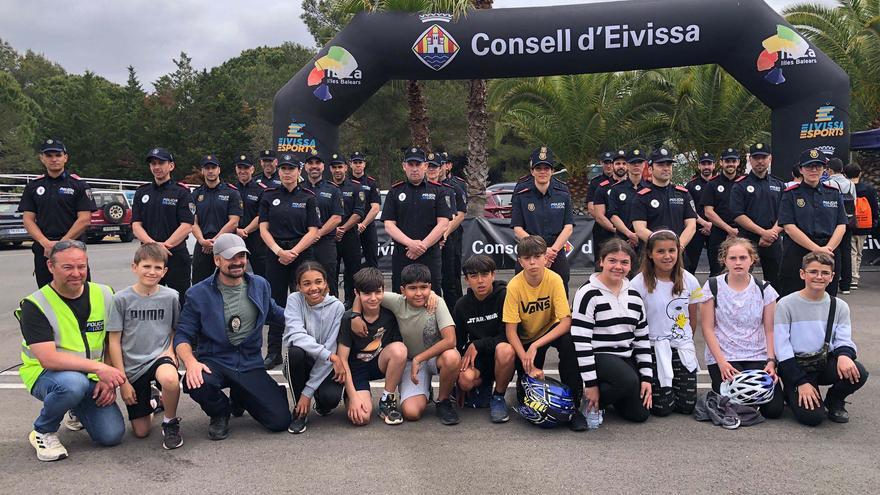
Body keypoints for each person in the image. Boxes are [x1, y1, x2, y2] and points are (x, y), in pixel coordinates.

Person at [15, 240, 125, 461]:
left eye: (81, 266)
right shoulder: (35, 305)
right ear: (50, 267)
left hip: (91, 377)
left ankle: (75, 409)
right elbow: (48, 359)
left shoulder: (104, 294)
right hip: (47, 376)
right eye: (67, 267)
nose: (76, 273)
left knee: (111, 435)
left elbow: (111, 343)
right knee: (73, 385)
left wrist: (108, 379)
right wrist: (99, 368)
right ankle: (43, 431)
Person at [175, 234, 290, 440]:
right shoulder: (197, 294)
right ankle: (220, 412)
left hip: (249, 362)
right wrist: (191, 363)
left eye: (242, 256)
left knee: (280, 421)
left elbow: (276, 314)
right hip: (216, 360)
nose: (238, 262)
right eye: (231, 258)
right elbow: (183, 335)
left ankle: (242, 394)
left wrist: (313, 320)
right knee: (196, 382)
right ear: (217, 260)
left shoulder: (260, 285)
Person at [350, 263, 461, 425]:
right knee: (412, 413)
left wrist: (420, 358)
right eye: (412, 288)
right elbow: (364, 293)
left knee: (452, 357)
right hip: (410, 361)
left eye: (424, 287)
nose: (419, 293)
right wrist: (354, 315)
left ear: (430, 287)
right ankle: (425, 390)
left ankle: (443, 400)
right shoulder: (397, 301)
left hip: (434, 358)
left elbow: (451, 340)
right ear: (402, 290)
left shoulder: (437, 302)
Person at [774, 252, 869, 425]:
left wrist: (844, 356)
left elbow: (843, 338)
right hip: (797, 366)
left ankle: (834, 401)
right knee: (813, 418)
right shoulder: (786, 304)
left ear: (832, 277)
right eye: (813, 272)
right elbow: (781, 347)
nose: (819, 277)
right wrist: (800, 381)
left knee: (858, 372)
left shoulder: (839, 306)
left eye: (825, 273)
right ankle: (791, 391)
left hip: (822, 362)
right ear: (803, 274)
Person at [503, 236, 585, 431]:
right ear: (520, 261)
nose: (532, 262)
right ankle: (524, 385)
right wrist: (525, 357)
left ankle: (574, 404)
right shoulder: (514, 286)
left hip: (547, 332)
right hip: (525, 337)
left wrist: (536, 345)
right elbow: (510, 331)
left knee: (570, 342)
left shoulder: (554, 279)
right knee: (528, 397)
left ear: (545, 258)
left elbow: (565, 322)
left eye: (537, 256)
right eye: (527, 258)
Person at [696, 237, 783, 419]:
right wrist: (721, 362)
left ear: (752, 259)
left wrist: (770, 361)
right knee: (735, 401)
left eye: (743, 258)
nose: (738, 263)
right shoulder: (712, 286)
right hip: (725, 356)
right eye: (732, 258)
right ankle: (723, 395)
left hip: (756, 354)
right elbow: (708, 329)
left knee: (773, 410)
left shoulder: (764, 289)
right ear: (724, 260)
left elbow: (770, 330)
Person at [106, 243, 182, 449]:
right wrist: (123, 382)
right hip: (133, 365)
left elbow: (175, 329)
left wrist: (171, 352)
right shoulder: (120, 299)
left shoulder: (171, 296)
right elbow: (114, 340)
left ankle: (170, 422)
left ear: (165, 271)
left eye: (158, 267)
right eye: (146, 266)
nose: (152, 272)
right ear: (135, 267)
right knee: (141, 432)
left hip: (159, 357)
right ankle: (154, 401)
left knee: (170, 379)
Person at [571, 239, 652, 424]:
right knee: (627, 380)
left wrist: (646, 378)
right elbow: (581, 341)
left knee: (640, 414)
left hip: (624, 358)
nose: (618, 267)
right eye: (612, 261)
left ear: (631, 265)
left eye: (624, 262)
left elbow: (642, 340)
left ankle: (609, 396)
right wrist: (590, 384)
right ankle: (587, 399)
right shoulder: (588, 293)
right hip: (598, 356)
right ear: (601, 261)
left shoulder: (634, 297)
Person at [258, 154, 319, 369]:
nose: (286, 172)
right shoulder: (268, 196)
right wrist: (278, 251)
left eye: (291, 168)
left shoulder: (309, 197)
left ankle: (305, 349)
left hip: (300, 254)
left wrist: (293, 251)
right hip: (276, 254)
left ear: (298, 171)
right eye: (283, 168)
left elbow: (313, 231)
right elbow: (263, 228)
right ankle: (273, 352)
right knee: (275, 303)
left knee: (305, 301)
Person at [630, 231, 701, 416]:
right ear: (650, 254)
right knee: (663, 409)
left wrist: (683, 340)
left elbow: (692, 318)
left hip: (680, 346)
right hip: (653, 347)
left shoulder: (690, 280)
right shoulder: (638, 283)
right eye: (660, 251)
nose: (667, 256)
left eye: (672, 250)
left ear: (678, 251)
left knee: (687, 406)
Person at [18, 139, 97, 288]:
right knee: (46, 293)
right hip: (44, 249)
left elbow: (85, 219)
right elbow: (28, 220)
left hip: (73, 246)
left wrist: (61, 244)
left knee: (79, 290)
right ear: (42, 158)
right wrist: (45, 243)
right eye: (49, 155)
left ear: (65, 157)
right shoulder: (33, 186)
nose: (54, 159)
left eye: (58, 155)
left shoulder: (78, 185)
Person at [337, 267, 407, 426]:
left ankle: (387, 400)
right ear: (357, 293)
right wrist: (353, 396)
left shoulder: (390, 314)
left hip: (378, 364)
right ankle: (350, 395)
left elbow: (414, 296)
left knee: (399, 350)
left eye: (377, 292)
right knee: (361, 418)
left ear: (384, 290)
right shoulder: (349, 318)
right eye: (367, 294)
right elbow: (342, 360)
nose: (373, 298)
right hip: (356, 370)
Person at [284, 262, 346, 434]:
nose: (313, 288)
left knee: (329, 401)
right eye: (307, 283)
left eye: (318, 282)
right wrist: (330, 356)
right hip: (303, 361)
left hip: (325, 363)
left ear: (326, 283)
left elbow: (331, 347)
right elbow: (296, 335)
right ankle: (299, 411)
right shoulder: (294, 300)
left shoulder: (337, 307)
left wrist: (308, 392)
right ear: (298, 286)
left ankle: (317, 398)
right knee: (295, 351)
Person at [777, 149, 847, 298]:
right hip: (798, 253)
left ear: (824, 169)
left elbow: (841, 225)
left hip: (829, 251)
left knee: (827, 299)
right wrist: (816, 249)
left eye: (818, 166)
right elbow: (789, 227)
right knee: (792, 298)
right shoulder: (790, 194)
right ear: (801, 169)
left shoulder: (834, 193)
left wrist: (827, 250)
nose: (814, 170)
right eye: (809, 166)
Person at [453, 255, 515, 423]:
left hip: (500, 352)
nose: (480, 281)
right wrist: (456, 377)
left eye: (484, 275)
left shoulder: (505, 296)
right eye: (474, 276)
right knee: (465, 380)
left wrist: (479, 344)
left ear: (493, 275)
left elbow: (510, 335)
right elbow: (457, 342)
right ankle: (484, 382)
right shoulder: (462, 305)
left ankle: (498, 397)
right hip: (478, 357)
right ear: (466, 279)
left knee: (505, 349)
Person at [381, 147, 452, 292]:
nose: (414, 169)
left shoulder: (438, 191)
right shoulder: (395, 192)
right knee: (400, 296)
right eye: (411, 164)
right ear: (404, 166)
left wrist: (422, 246)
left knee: (433, 296)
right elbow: (389, 225)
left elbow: (444, 223)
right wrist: (411, 244)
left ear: (425, 166)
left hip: (430, 254)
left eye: (418, 164)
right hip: (403, 254)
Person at [132, 147, 195, 306]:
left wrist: (165, 245)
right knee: (148, 300)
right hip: (148, 256)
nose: (156, 167)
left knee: (180, 301)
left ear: (171, 166)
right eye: (153, 163)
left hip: (175, 255)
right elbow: (136, 225)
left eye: (161, 163)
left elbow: (187, 225)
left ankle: (180, 331)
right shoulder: (142, 192)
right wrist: (153, 245)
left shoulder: (182, 192)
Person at [510, 147, 575, 295]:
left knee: (561, 282)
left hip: (555, 250)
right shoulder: (522, 194)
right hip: (529, 251)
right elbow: (517, 228)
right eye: (538, 168)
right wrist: (540, 250)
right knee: (522, 287)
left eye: (546, 168)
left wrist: (552, 252)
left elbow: (568, 227)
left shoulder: (563, 193)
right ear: (532, 171)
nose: (542, 172)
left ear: (552, 171)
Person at [729, 142, 784, 289]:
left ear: (770, 159)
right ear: (750, 160)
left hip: (773, 240)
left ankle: (774, 311)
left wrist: (771, 233)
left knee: (776, 282)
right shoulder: (740, 185)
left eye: (764, 157)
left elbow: (785, 213)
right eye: (756, 157)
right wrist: (763, 233)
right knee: (740, 279)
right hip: (748, 240)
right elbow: (737, 214)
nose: (760, 161)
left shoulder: (779, 185)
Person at [191, 154, 243, 284]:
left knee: (227, 284)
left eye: (213, 167)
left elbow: (234, 221)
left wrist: (215, 241)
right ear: (202, 171)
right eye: (207, 168)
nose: (210, 171)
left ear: (219, 169)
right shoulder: (195, 194)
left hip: (226, 245)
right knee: (199, 284)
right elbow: (192, 222)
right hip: (203, 246)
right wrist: (202, 240)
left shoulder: (231, 192)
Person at [631, 148, 697, 248]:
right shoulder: (642, 196)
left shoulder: (683, 194)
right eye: (660, 165)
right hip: (651, 253)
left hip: (679, 252)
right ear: (650, 169)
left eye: (669, 164)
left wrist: (678, 247)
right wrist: (663, 247)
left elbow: (691, 226)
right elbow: (640, 229)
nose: (666, 168)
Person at [700, 148, 744, 276]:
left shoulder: (744, 183)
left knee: (741, 271)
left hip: (742, 232)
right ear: (721, 163)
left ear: (738, 162)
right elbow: (708, 212)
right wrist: (728, 229)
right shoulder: (712, 184)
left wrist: (736, 231)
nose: (730, 163)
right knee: (717, 271)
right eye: (727, 161)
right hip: (719, 234)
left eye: (733, 160)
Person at [329, 153, 365, 307]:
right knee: (331, 272)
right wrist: (333, 230)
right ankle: (332, 302)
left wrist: (342, 228)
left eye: (340, 167)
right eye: (334, 167)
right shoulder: (326, 187)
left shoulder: (356, 187)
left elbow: (359, 212)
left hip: (350, 236)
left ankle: (352, 303)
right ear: (330, 169)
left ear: (345, 167)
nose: (337, 170)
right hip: (330, 237)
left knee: (353, 272)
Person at [607, 148, 650, 272]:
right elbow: (613, 215)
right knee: (623, 275)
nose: (636, 165)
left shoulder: (651, 188)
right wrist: (629, 234)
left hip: (645, 241)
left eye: (639, 162)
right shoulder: (616, 189)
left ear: (644, 165)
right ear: (628, 165)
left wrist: (640, 235)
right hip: (623, 239)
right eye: (632, 163)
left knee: (645, 275)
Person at [439, 152, 467, 310]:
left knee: (452, 277)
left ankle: (457, 311)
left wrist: (445, 232)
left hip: (452, 236)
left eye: (443, 164)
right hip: (435, 238)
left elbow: (461, 213)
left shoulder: (456, 185)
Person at [233, 153, 268, 277]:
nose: (243, 171)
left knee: (261, 274)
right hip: (234, 236)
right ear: (236, 169)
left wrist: (245, 231)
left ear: (252, 169)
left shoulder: (261, 190)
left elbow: (261, 215)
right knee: (234, 273)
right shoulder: (230, 189)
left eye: (246, 168)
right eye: (240, 168)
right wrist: (236, 231)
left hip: (256, 238)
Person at [824, 157, 856, 294]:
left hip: (833, 223)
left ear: (829, 170)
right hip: (848, 221)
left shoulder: (829, 183)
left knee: (833, 252)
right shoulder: (850, 184)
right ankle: (846, 285)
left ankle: (833, 282)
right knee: (846, 251)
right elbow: (855, 202)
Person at [844, 162, 878, 288]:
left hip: (850, 223)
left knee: (851, 251)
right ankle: (855, 275)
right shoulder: (868, 189)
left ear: (845, 174)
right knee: (859, 251)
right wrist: (874, 220)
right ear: (860, 173)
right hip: (865, 224)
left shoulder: (845, 188)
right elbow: (874, 206)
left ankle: (853, 277)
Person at [591, 150, 627, 268]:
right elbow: (599, 215)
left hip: (631, 237)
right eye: (617, 163)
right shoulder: (602, 187)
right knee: (603, 268)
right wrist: (618, 231)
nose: (621, 166)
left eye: (624, 163)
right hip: (606, 234)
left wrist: (631, 234)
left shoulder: (636, 187)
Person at [683, 152, 716, 273]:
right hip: (695, 229)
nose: (706, 166)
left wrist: (711, 225)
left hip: (716, 229)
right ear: (699, 166)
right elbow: (688, 209)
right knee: (690, 264)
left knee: (717, 264)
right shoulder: (691, 185)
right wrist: (704, 224)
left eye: (709, 163)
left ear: (714, 166)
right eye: (703, 164)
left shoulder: (718, 184)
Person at [348, 151, 381, 268]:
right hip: (350, 227)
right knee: (352, 262)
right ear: (350, 164)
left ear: (364, 164)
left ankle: (374, 286)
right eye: (355, 162)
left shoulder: (371, 183)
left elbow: (376, 207)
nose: (358, 165)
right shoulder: (346, 182)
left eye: (360, 162)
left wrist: (363, 224)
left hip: (367, 226)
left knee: (372, 259)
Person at [586, 151, 616, 218]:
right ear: (601, 163)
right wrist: (603, 222)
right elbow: (591, 207)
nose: (608, 166)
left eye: (611, 163)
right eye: (606, 163)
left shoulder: (621, 181)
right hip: (601, 222)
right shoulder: (595, 182)